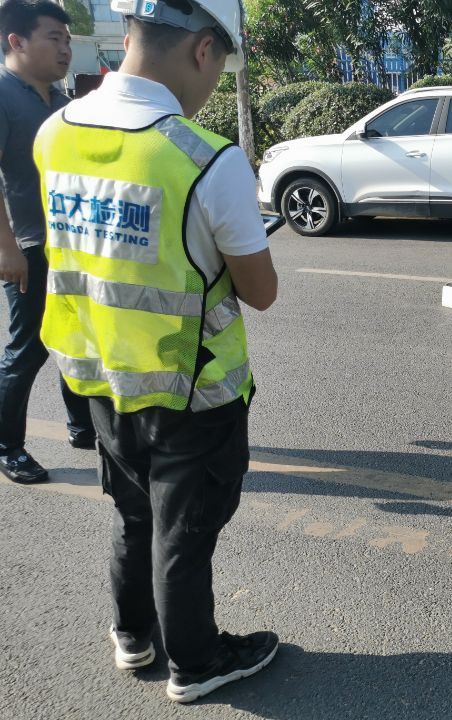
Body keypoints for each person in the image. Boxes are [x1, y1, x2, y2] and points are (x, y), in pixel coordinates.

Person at [33, 0, 279, 703]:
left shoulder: (55, 133)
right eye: (219, 66)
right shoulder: (205, 159)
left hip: (98, 375)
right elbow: (260, 292)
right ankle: (195, 664)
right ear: (203, 49)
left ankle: (132, 635)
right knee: (184, 532)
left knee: (133, 513)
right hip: (192, 388)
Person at [0, 0, 96, 485]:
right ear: (16, 41)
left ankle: (82, 427)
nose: (65, 49)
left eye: (67, 40)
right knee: (28, 349)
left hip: (70, 243)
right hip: (28, 246)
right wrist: (6, 247)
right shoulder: (2, 94)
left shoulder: (60, 101)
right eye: (54, 38)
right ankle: (7, 446)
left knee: (75, 336)